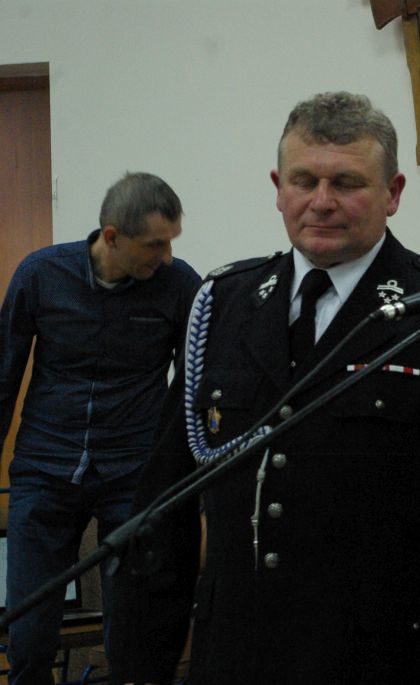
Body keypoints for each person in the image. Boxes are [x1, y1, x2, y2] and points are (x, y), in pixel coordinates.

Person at [110, 91, 420, 684]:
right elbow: (164, 506)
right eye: (304, 181)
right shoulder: (224, 302)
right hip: (236, 656)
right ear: (279, 188)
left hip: (382, 657)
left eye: (347, 183)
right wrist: (140, 668)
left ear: (393, 192)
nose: (321, 202)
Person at [0, 172, 200, 685]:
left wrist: (182, 475)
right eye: (155, 244)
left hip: (133, 476)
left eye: (171, 242)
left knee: (132, 635)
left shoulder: (180, 286)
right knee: (28, 634)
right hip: (45, 470)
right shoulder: (40, 274)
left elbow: (195, 387)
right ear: (112, 236)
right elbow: (3, 376)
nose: (167, 257)